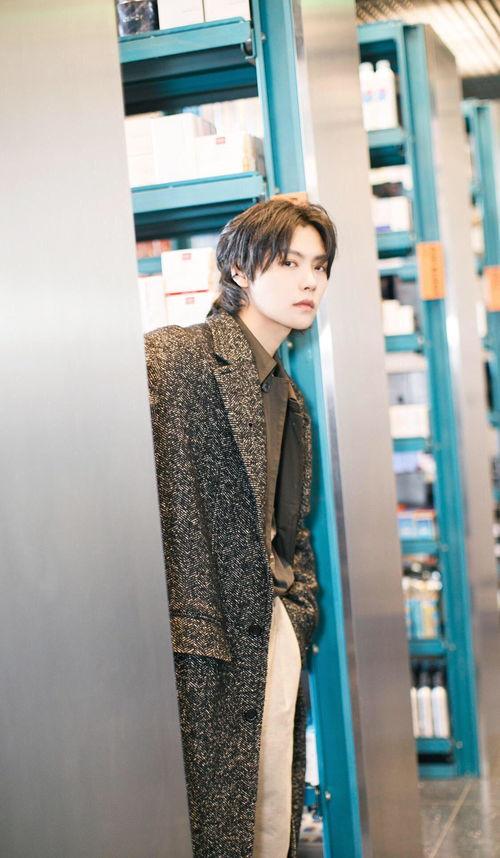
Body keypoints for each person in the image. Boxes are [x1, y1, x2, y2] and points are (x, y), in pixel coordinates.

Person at [145, 198, 337, 858]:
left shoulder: (290, 394)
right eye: (289, 263)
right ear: (239, 270)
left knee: (269, 820)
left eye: (320, 266)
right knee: (213, 827)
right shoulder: (175, 359)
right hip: (201, 642)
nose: (310, 281)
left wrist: (298, 607)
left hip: (272, 626)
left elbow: (288, 527)